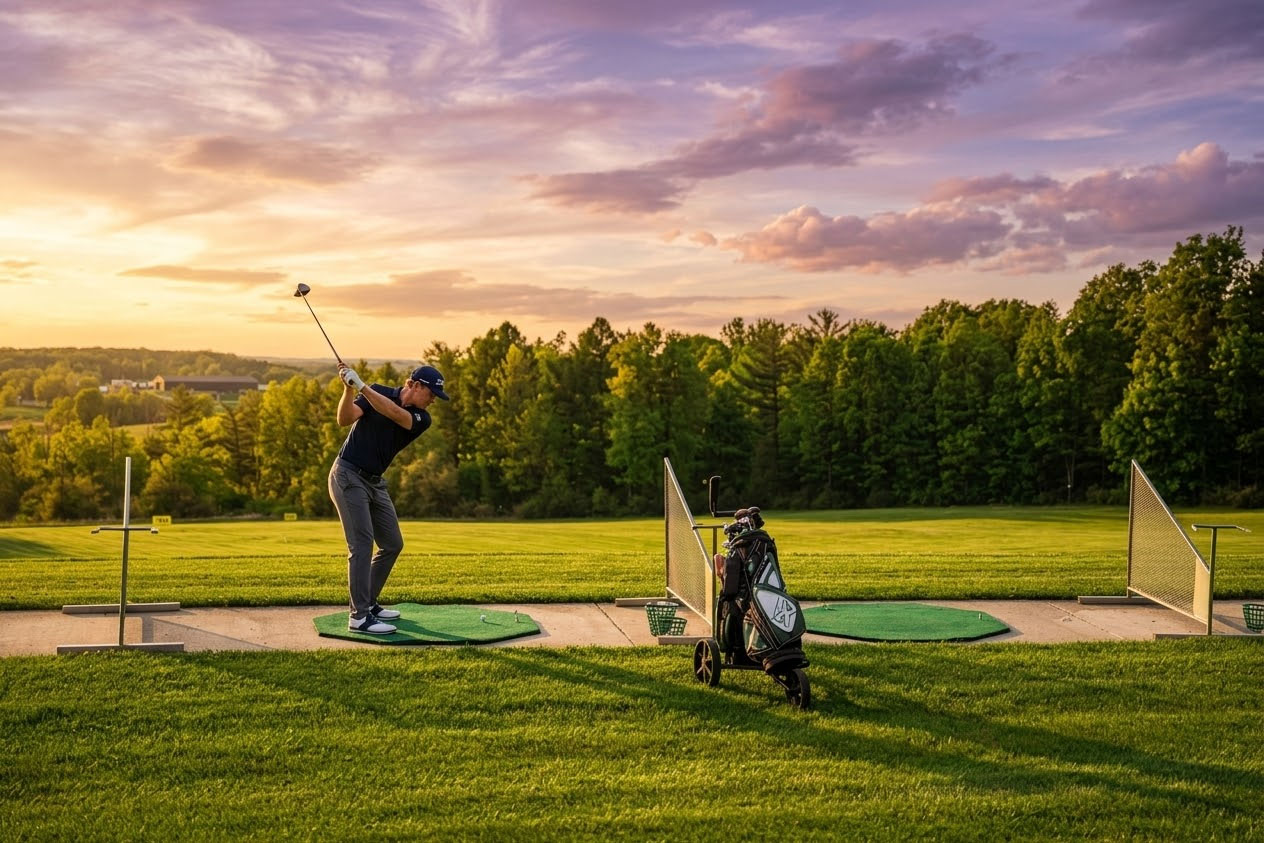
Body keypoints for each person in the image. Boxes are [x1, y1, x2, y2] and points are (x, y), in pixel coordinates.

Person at [328, 362, 449, 634]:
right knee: (361, 544)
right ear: (414, 385)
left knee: (392, 543)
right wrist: (348, 390)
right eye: (431, 394)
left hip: (375, 482)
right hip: (347, 476)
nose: (432, 401)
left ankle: (369, 603)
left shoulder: (421, 418)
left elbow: (394, 412)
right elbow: (344, 419)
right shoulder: (378, 392)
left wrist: (361, 386)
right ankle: (359, 617)